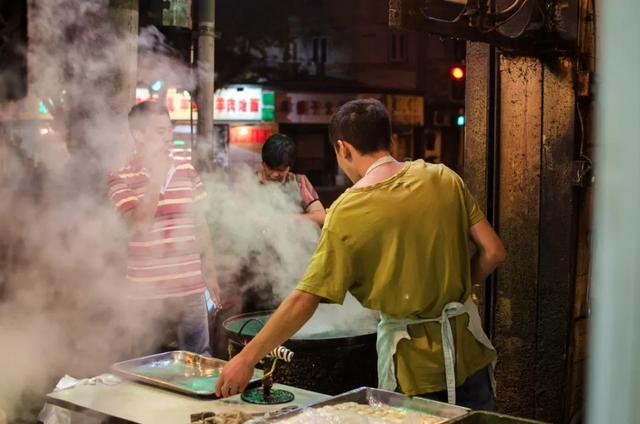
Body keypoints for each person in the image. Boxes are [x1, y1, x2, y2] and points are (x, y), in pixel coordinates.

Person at [215, 99, 506, 409]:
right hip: (471, 356)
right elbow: (494, 251)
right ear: (391, 140)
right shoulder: (444, 178)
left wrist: (247, 358)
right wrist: (449, 294)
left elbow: (305, 299)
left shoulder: (347, 209)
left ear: (343, 148)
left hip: (415, 374)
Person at [107, 101, 221, 356]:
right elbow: (138, 225)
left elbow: (200, 223)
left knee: (198, 360)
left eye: (169, 130)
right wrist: (157, 176)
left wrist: (210, 271)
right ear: (138, 135)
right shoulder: (120, 176)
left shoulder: (187, 170)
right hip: (146, 294)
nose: (168, 138)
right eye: (159, 132)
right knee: (145, 366)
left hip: (191, 289)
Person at [258, 133, 326, 226]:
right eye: (270, 168)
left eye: (281, 170)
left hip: (293, 239)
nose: (274, 174)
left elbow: (321, 217)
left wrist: (288, 219)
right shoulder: (249, 183)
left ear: (289, 167)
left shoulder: (299, 182)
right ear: (263, 163)